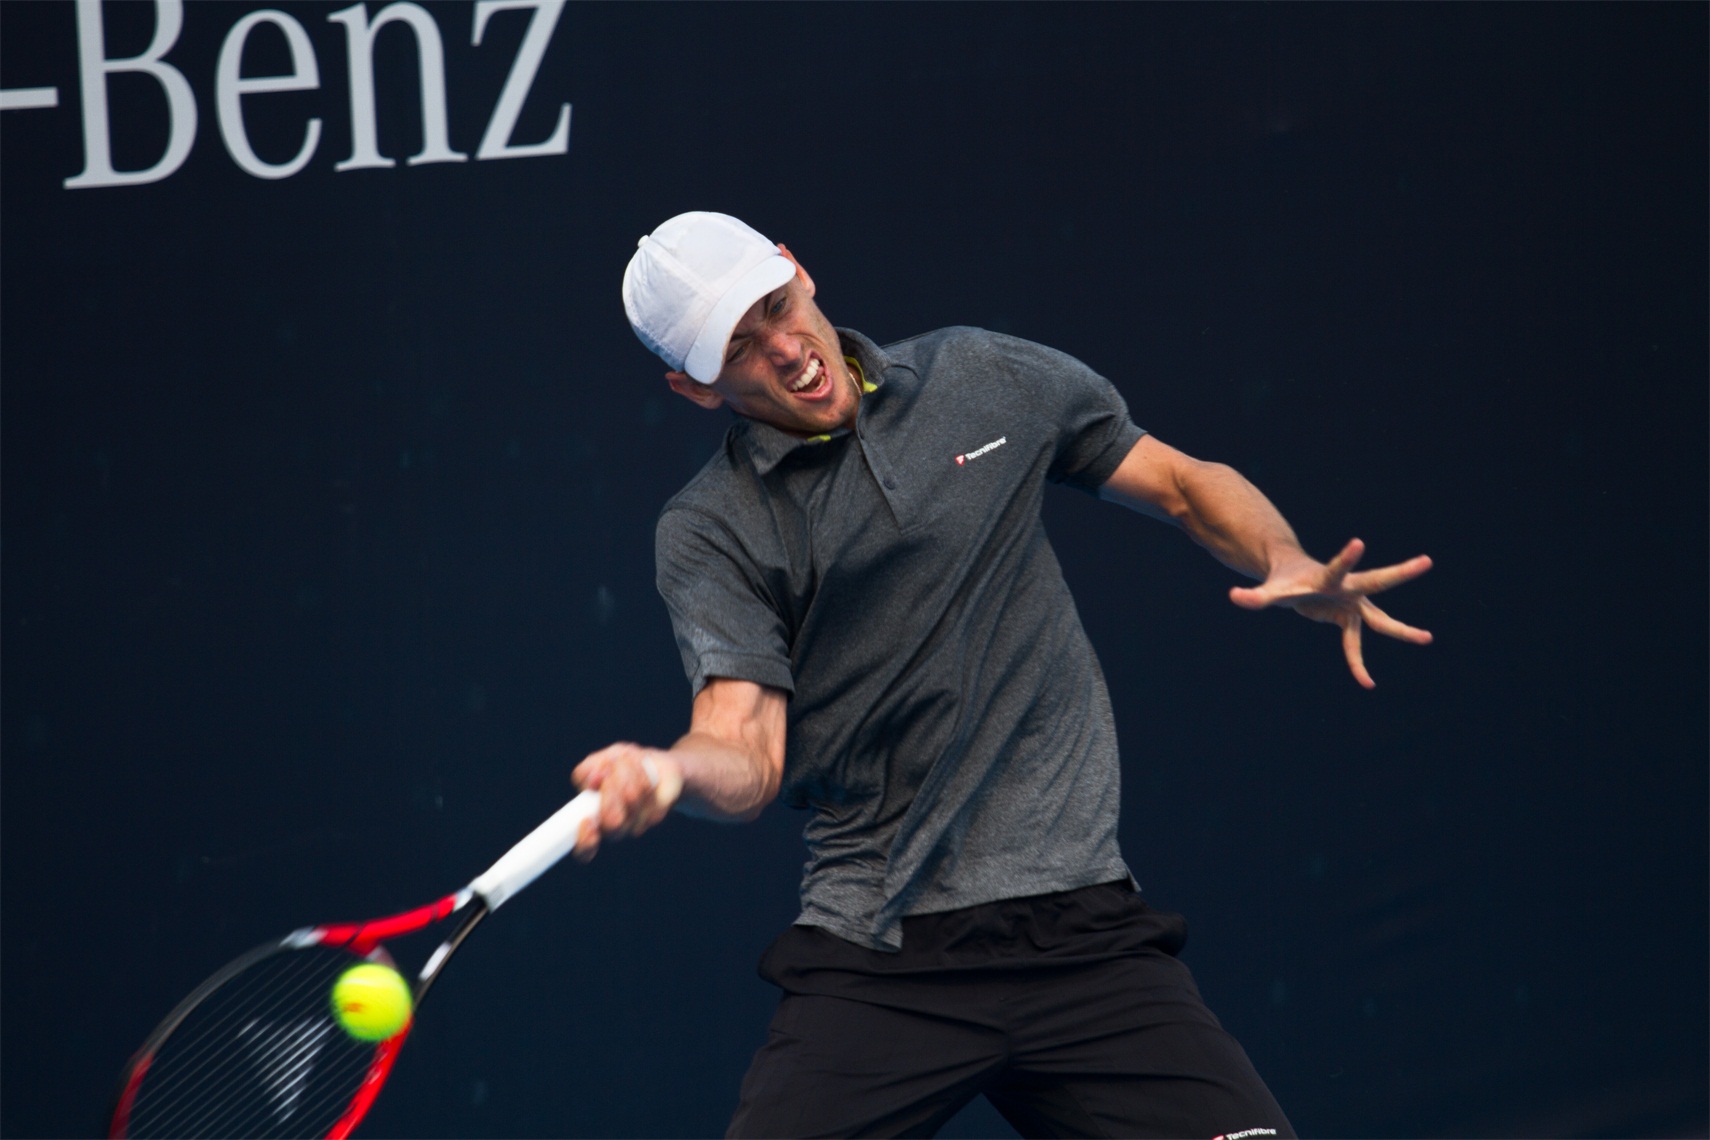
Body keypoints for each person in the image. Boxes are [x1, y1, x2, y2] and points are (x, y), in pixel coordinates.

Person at [573, 211, 1432, 1139]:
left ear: (797, 268)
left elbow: (1183, 484)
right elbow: (741, 743)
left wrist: (1284, 557)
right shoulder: (710, 528)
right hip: (882, 953)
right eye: (738, 347)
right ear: (695, 389)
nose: (784, 349)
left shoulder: (979, 374)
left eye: (776, 307)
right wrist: (672, 772)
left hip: (1086, 937)